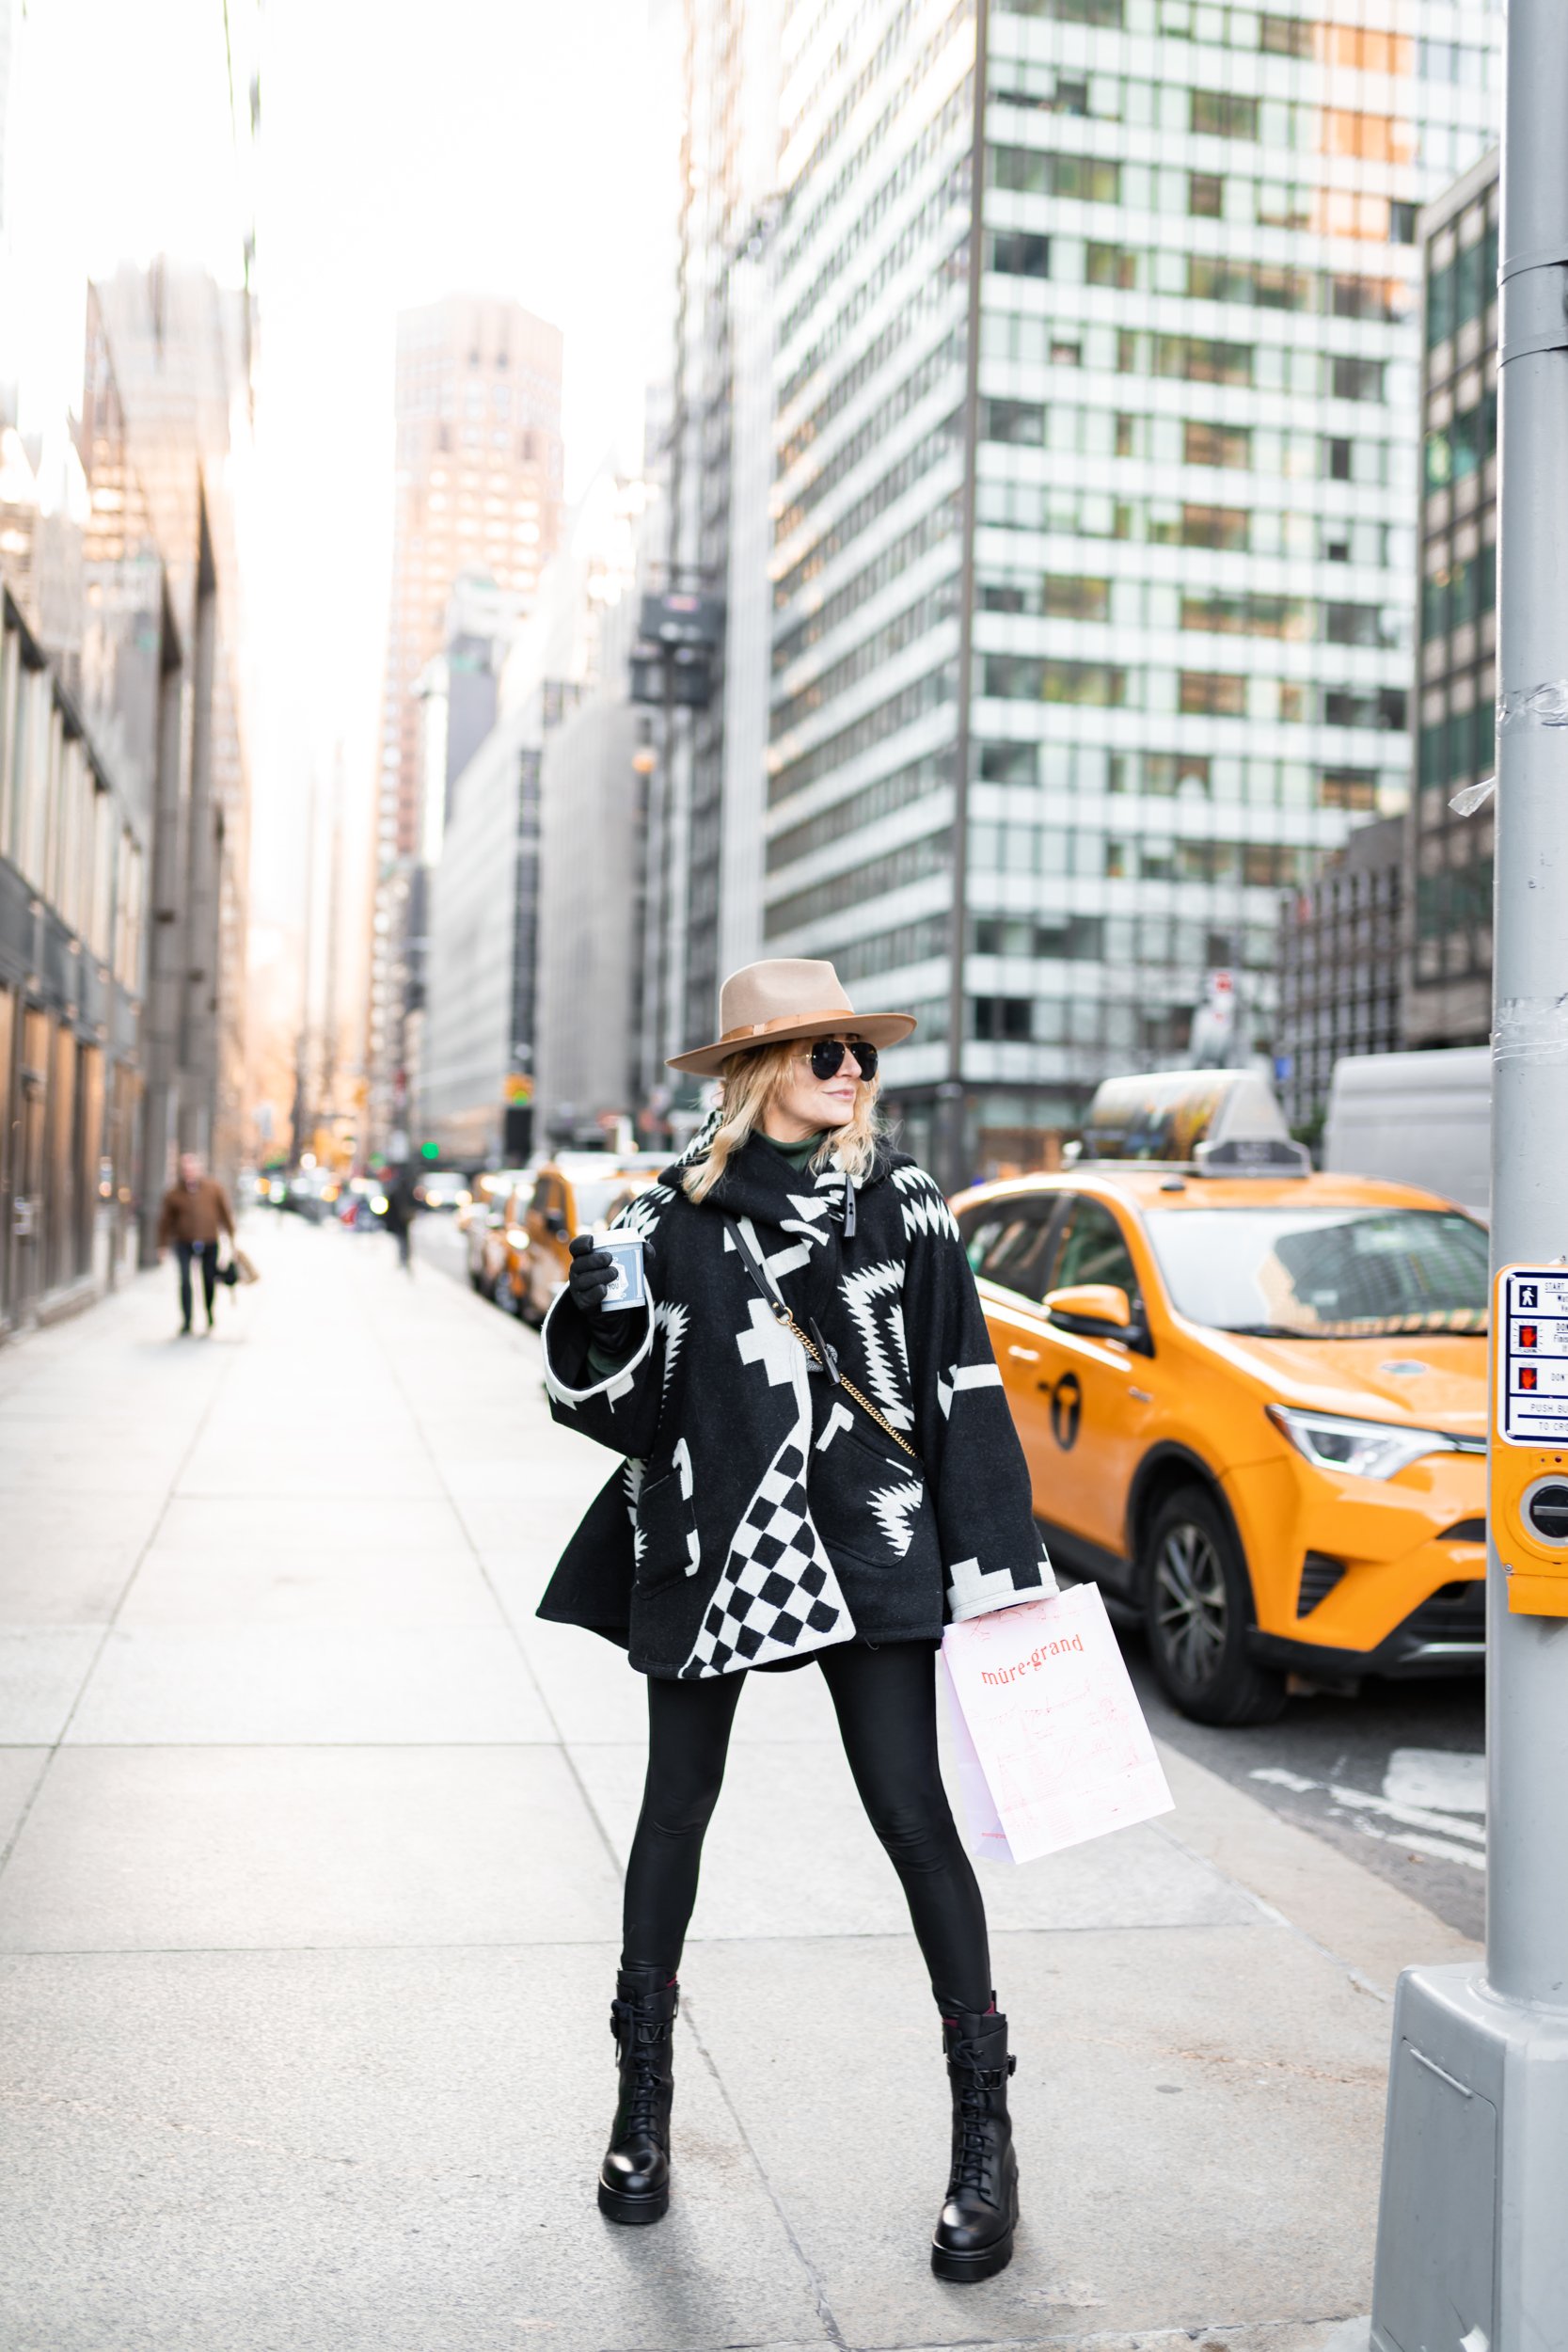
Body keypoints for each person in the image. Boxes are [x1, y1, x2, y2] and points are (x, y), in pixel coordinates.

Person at [537, 958, 1055, 2282]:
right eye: (820, 1051)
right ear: (756, 1069)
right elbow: (616, 1413)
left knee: (909, 1813)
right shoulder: (671, 1213)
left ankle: (983, 2138)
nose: (847, 1071)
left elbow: (963, 1389)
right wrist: (595, 1317)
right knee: (674, 1809)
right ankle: (640, 2112)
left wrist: (996, 1576)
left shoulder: (906, 1207)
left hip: (872, 1543)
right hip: (715, 1539)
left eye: (857, 1052)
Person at [156, 1152, 236, 1336]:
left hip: (209, 1242)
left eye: (192, 1168)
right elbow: (165, 1221)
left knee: (208, 1280)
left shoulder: (214, 1188)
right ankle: (187, 1320)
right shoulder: (173, 1193)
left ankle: (209, 1313)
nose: (189, 1172)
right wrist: (162, 1245)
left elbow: (225, 1213)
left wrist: (232, 1239)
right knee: (185, 1281)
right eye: (185, 1169)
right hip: (184, 1242)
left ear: (199, 1169)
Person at [382, 1166, 421, 1271]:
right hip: (402, 1218)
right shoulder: (404, 1187)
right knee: (404, 1239)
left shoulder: (395, 1187)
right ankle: (404, 1258)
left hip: (400, 1218)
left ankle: (404, 1258)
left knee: (402, 1239)